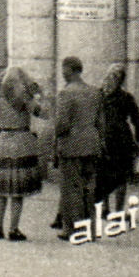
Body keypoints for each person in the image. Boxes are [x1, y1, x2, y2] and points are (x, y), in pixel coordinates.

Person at [0, 65, 47, 241]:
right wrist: (41, 96)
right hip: (21, 140)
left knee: (2, 189)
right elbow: (41, 113)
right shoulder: (21, 97)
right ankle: (13, 228)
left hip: (3, 140)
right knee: (17, 190)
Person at [53, 56, 103, 241]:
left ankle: (73, 229)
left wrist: (56, 140)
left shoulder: (66, 94)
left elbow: (61, 124)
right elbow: (100, 122)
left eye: (63, 69)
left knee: (71, 189)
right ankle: (91, 229)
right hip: (91, 144)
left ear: (70, 70)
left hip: (71, 146)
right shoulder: (94, 92)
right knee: (89, 189)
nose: (62, 73)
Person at [94, 64, 139, 214]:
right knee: (119, 176)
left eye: (113, 76)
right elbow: (137, 120)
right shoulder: (126, 97)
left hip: (104, 138)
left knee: (104, 173)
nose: (110, 80)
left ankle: (105, 207)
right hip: (121, 139)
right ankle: (117, 210)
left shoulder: (98, 95)